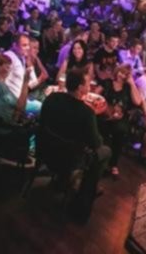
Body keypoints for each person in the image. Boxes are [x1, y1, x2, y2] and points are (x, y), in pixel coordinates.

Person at [40, 68, 111, 221]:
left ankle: (62, 180)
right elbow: (95, 143)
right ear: (80, 88)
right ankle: (83, 201)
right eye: (88, 84)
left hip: (44, 150)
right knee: (105, 152)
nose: (90, 86)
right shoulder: (86, 113)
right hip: (68, 159)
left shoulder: (52, 98)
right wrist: (97, 135)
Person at [97, 64, 143, 177]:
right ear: (117, 71)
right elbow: (95, 95)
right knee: (102, 129)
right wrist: (105, 108)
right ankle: (101, 161)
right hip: (105, 115)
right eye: (121, 72)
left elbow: (138, 102)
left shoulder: (128, 87)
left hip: (121, 117)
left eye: (126, 74)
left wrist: (132, 83)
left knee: (121, 131)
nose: (122, 75)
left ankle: (113, 164)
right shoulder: (107, 82)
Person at [3, 33, 42, 116]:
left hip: (23, 98)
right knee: (42, 107)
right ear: (14, 45)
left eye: (28, 45)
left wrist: (29, 63)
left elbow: (34, 82)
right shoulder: (8, 57)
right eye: (24, 45)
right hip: (13, 102)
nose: (28, 48)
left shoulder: (22, 58)